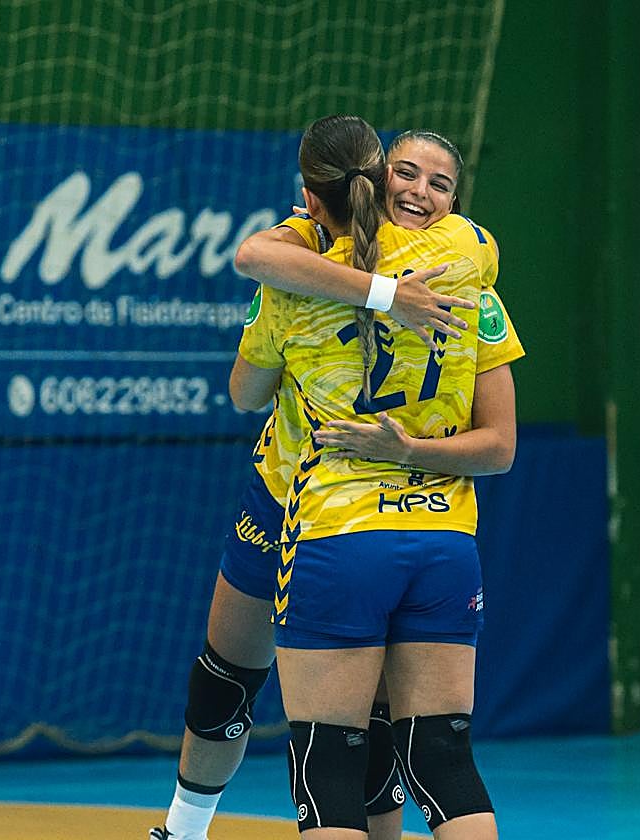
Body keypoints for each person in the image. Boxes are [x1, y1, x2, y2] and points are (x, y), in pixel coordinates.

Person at [149, 124, 522, 840]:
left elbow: (243, 387)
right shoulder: (304, 249)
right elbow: (256, 255)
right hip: (291, 492)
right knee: (228, 677)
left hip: (348, 519)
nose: (419, 192)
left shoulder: (464, 273)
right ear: (372, 180)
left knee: (360, 729)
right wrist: (385, 294)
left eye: (439, 183)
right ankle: (185, 828)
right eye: (406, 175)